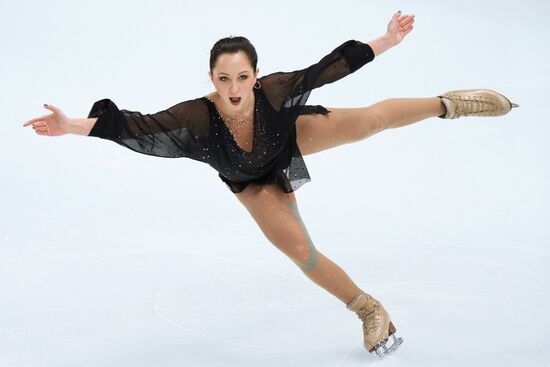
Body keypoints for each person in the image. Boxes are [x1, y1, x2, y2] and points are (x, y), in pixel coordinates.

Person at [22, 11, 518, 359]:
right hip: (253, 182)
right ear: (212, 79)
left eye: (242, 76)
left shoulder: (276, 91)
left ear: (256, 75)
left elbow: (331, 66)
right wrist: (71, 127)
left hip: (291, 135)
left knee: (369, 120)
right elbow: (137, 126)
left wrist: (386, 39)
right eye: (224, 78)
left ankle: (451, 103)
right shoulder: (195, 118)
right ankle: (371, 310)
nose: (234, 88)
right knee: (301, 252)